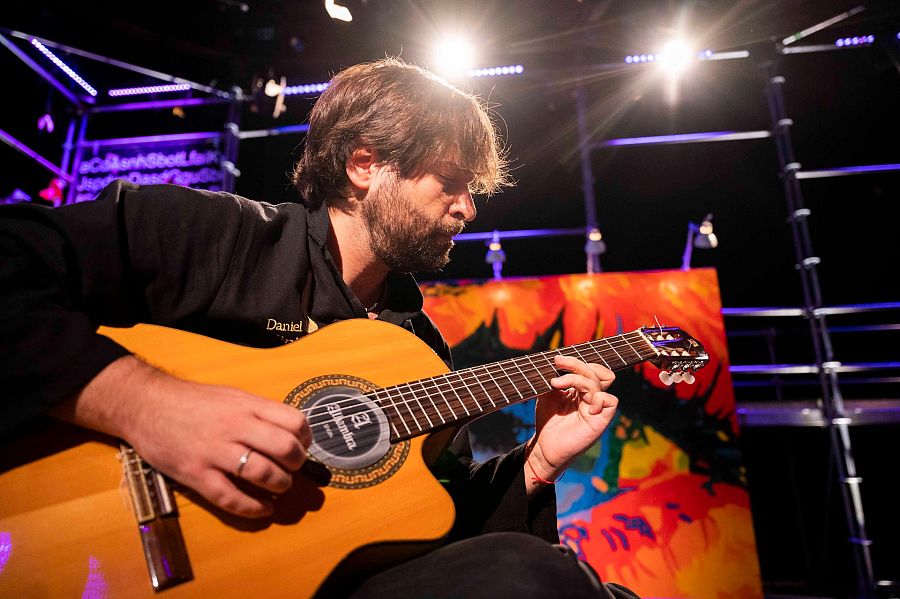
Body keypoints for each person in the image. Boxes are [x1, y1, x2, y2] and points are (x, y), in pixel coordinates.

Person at [0, 58, 637, 598]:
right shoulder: (221, 236)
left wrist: (537, 464)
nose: (468, 209)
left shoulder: (422, 350)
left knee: (546, 578)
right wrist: (148, 404)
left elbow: (433, 527)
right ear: (365, 166)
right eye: (450, 183)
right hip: (88, 551)